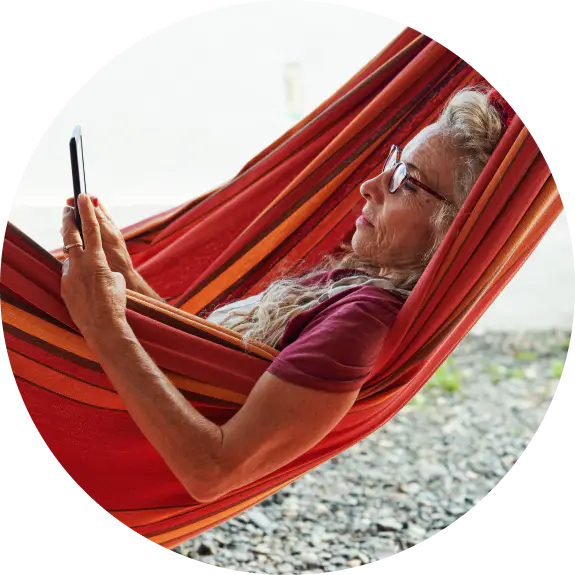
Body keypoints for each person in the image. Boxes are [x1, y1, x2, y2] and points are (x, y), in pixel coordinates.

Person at [59, 85, 515, 503]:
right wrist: (124, 273)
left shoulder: (359, 322)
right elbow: (194, 368)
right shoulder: (355, 282)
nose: (369, 186)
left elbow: (212, 471)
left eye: (406, 182)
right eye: (391, 166)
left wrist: (103, 324)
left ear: (451, 231)